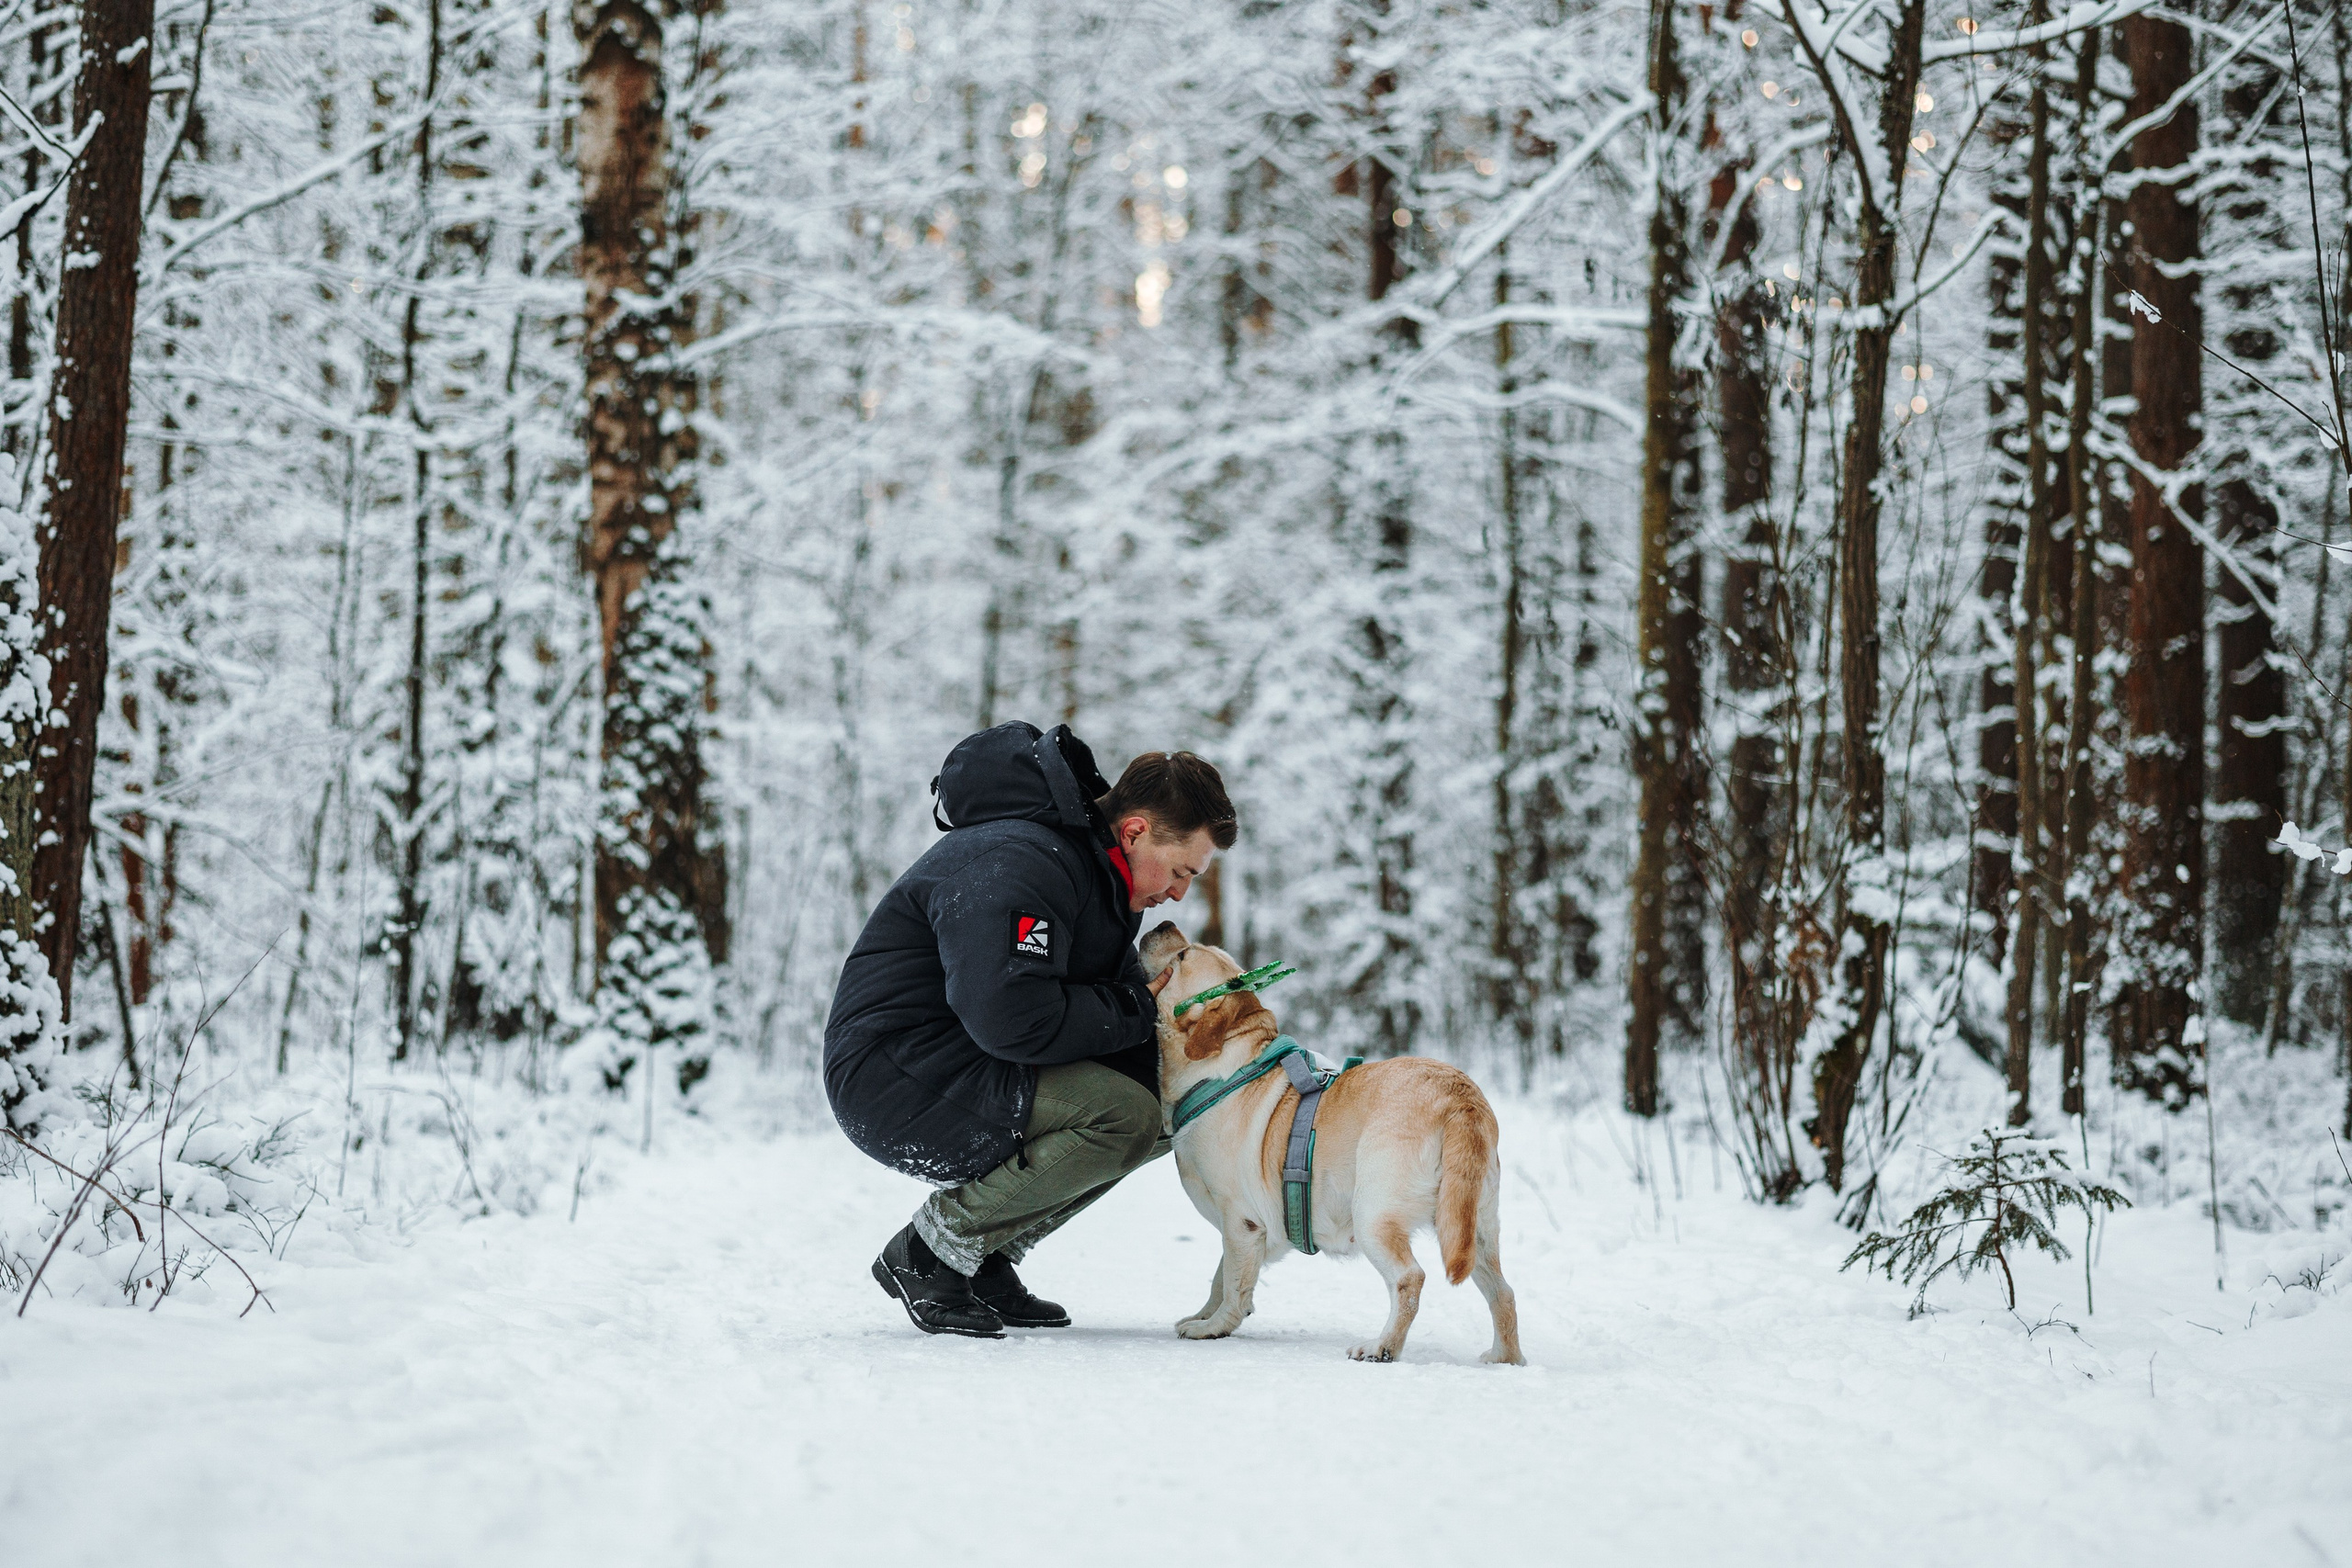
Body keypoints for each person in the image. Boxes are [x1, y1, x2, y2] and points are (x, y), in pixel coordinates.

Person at [823, 722, 1238, 1337]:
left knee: (1172, 1105)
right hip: (893, 1073)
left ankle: (986, 1253)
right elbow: (1013, 1018)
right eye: (1181, 871)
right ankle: (932, 1250)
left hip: (960, 1061)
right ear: (1135, 830)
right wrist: (1133, 1011)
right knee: (1125, 1114)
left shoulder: (1090, 872)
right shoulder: (1021, 862)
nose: (1178, 893)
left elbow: (1116, 1006)